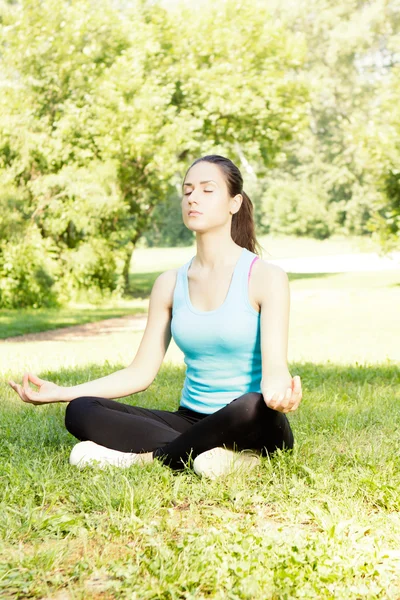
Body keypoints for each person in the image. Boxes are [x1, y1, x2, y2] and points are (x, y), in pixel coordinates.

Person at [8, 154, 302, 479]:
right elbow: (140, 373)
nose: (193, 197)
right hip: (192, 419)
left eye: (207, 190)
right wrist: (62, 392)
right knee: (82, 409)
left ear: (235, 202)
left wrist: (279, 394)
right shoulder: (169, 284)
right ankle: (218, 458)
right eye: (187, 190)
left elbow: (275, 369)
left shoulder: (265, 277)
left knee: (249, 404)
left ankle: (144, 460)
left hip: (254, 422)